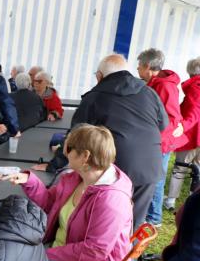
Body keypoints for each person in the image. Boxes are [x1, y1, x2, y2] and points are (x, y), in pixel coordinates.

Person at [5, 125, 133, 261]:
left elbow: (94, 251)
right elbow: (50, 202)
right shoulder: (75, 178)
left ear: (85, 156)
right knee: (9, 259)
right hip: (64, 252)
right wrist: (28, 180)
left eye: (69, 149)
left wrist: (47, 255)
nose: (65, 153)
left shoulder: (112, 200)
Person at [71, 53, 168, 227]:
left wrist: (53, 165)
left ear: (99, 76)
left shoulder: (95, 96)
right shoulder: (148, 91)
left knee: (108, 221)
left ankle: (112, 252)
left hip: (117, 166)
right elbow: (163, 124)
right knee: (135, 220)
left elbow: (76, 136)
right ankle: (130, 253)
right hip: (149, 164)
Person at [137, 48, 185, 227]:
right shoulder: (155, 83)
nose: (137, 69)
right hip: (154, 141)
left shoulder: (165, 86)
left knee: (156, 179)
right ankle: (151, 214)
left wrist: (153, 139)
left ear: (147, 66)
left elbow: (172, 118)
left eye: (139, 66)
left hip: (160, 143)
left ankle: (154, 217)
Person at [166, 57, 200, 211]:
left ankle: (171, 201)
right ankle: (193, 199)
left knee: (180, 167)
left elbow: (194, 111)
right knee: (197, 168)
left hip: (191, 134)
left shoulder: (195, 86)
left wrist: (182, 126)